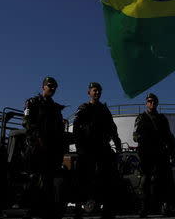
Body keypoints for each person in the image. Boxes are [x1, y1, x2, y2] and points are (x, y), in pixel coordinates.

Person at [73, 82, 122, 219]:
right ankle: (79, 209)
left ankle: (106, 209)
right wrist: (79, 147)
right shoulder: (84, 108)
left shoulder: (104, 110)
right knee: (83, 178)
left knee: (106, 178)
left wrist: (117, 144)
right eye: (94, 91)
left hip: (102, 147)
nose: (97, 93)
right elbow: (76, 128)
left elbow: (112, 129)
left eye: (99, 91)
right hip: (87, 148)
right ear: (89, 92)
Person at [23, 77, 66, 219]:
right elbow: (27, 122)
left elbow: (59, 129)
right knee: (34, 179)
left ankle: (47, 210)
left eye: (55, 87)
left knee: (50, 180)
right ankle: (32, 209)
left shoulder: (55, 108)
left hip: (52, 150)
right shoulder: (32, 103)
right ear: (43, 87)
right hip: (37, 148)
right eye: (50, 86)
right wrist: (38, 137)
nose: (52, 89)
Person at [133, 93, 175, 218]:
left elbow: (169, 137)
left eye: (154, 101)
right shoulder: (141, 118)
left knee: (166, 180)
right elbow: (135, 135)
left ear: (157, 103)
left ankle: (166, 206)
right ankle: (144, 208)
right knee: (145, 181)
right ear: (146, 103)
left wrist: (173, 154)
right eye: (149, 101)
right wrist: (142, 139)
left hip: (161, 154)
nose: (152, 103)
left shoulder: (162, 118)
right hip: (147, 154)